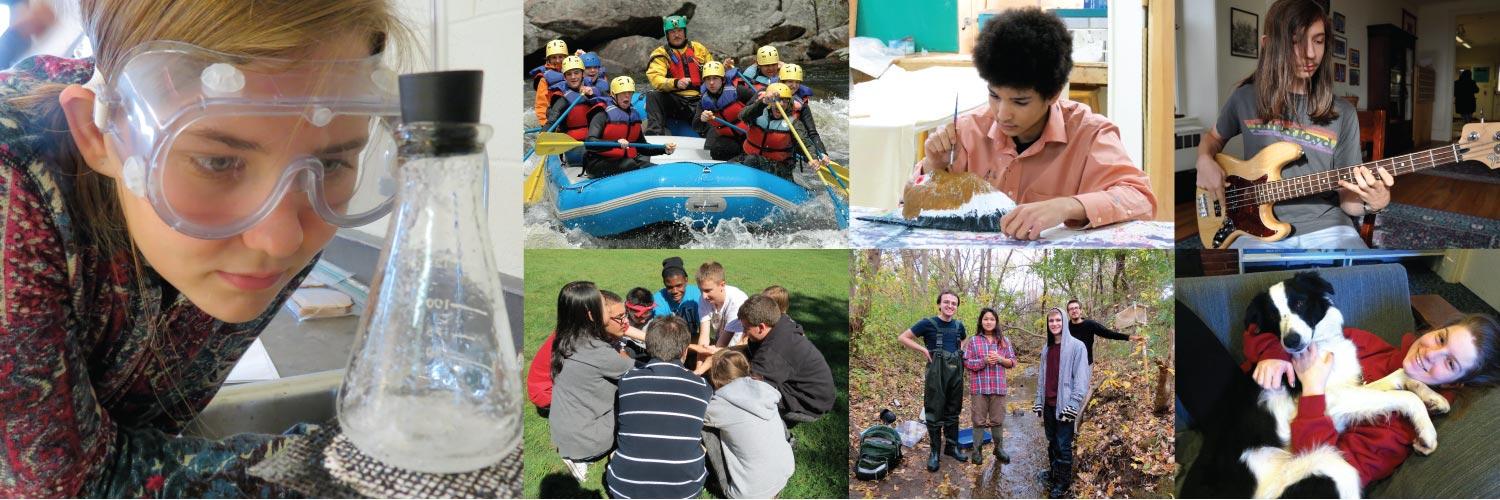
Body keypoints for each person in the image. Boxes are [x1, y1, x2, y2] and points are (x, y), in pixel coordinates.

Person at [0, 1, 410, 496]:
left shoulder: (300, 207)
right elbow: (62, 486)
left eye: (332, 165)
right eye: (217, 162)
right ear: (98, 132)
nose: (283, 240)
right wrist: (374, 469)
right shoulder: (12, 188)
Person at [1177, 301, 1500, 491]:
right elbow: (1288, 334)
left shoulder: (1397, 434)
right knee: (1175, 315)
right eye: (1440, 338)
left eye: (1450, 362)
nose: (1431, 354)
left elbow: (1315, 479)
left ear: (1457, 383)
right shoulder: (1368, 344)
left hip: (1263, 452)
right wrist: (1272, 353)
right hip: (1247, 399)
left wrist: (1314, 391)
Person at [918, 8, 1156, 241]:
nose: (1002, 114)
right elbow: (910, 210)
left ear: (1052, 94)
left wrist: (1066, 207)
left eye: (1020, 102)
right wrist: (933, 166)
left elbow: (1140, 198)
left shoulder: (1090, 134)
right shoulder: (968, 131)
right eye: (994, 96)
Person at [1196, 0, 1385, 249]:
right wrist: (1204, 160)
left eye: (1318, 41)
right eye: (1296, 41)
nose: (1310, 53)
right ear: (1268, 45)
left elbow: (1348, 200)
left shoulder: (1344, 114)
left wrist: (1373, 201)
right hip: (1248, 226)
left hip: (1326, 225)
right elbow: (1212, 138)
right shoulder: (1244, 98)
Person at [604, 315, 712, 499]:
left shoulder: (628, 380)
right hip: (684, 490)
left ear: (649, 347)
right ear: (685, 351)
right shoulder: (702, 387)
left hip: (625, 489)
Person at [549, 282, 635, 482]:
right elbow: (641, 373)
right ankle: (581, 461)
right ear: (590, 315)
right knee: (636, 402)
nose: (606, 304)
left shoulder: (567, 337)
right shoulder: (599, 353)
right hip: (590, 441)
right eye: (602, 304)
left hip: (565, 432)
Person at [701, 349, 795, 499]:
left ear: (716, 378)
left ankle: (714, 479)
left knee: (705, 429)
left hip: (748, 493)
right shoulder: (765, 390)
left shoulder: (720, 405)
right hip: (784, 473)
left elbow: (693, 413)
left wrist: (697, 373)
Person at [897, 290, 970, 471]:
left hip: (956, 373)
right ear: (939, 304)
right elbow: (903, 337)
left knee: (953, 411)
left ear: (957, 306)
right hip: (936, 374)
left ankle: (951, 448)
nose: (950, 306)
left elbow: (965, 339)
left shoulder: (959, 326)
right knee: (934, 412)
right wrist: (923, 350)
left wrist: (959, 350)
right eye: (947, 302)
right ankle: (935, 452)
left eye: (954, 303)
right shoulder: (927, 323)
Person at [739, 293, 835, 426]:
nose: (744, 333)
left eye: (746, 328)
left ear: (761, 327)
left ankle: (784, 437)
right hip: (812, 391)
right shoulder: (781, 322)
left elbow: (750, 386)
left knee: (753, 400)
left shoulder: (773, 352)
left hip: (810, 403)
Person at [1033, 307, 1090, 498]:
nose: (1055, 324)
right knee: (1051, 442)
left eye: (1058, 320)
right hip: (1048, 405)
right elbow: (1042, 377)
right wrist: (1038, 400)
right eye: (1051, 321)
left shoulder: (1077, 346)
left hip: (1065, 405)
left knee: (1063, 444)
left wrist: (1073, 405)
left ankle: (1063, 482)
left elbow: (1081, 380)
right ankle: (1053, 473)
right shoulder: (1046, 349)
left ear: (1064, 322)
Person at [583, 75, 676, 178]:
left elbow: (643, 147)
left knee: (656, 169)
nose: (627, 96)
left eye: (630, 93)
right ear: (613, 94)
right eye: (622, 93)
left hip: (626, 162)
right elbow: (590, 143)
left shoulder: (633, 116)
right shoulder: (602, 114)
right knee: (629, 164)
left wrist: (663, 149)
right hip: (598, 163)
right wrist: (615, 143)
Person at [737, 82, 827, 179]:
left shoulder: (793, 123)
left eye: (785, 101)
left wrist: (812, 158)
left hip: (780, 167)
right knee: (744, 160)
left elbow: (805, 142)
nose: (781, 104)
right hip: (751, 158)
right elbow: (742, 116)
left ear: (789, 103)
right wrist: (762, 102)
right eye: (778, 100)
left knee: (752, 160)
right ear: (769, 101)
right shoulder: (758, 113)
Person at [963, 307, 1017, 465]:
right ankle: (977, 451)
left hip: (998, 388)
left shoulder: (1004, 341)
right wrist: (983, 361)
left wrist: (1000, 359)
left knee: (997, 420)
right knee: (978, 421)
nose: (988, 322)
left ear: (996, 322)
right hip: (979, 388)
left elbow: (1013, 362)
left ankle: (998, 449)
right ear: (981, 321)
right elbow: (966, 363)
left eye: (992, 319)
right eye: (985, 319)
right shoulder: (973, 341)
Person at [644, 15, 714, 135]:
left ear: (684, 32)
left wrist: (723, 68)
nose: (677, 35)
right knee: (653, 96)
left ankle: (712, 137)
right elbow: (656, 78)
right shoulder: (660, 53)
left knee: (712, 119)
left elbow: (713, 70)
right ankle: (655, 134)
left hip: (700, 100)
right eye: (672, 32)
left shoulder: (699, 49)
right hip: (676, 101)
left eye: (680, 31)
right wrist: (675, 82)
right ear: (667, 35)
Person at [695, 60, 754, 160]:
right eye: (708, 79)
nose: (711, 83)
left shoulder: (738, 91)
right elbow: (696, 126)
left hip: (749, 133)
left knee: (752, 152)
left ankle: (744, 155)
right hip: (729, 137)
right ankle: (739, 157)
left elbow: (756, 100)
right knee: (717, 151)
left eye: (715, 78)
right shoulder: (703, 101)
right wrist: (702, 119)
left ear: (723, 80)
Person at [544, 55, 603, 141]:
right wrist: (544, 134)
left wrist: (592, 94)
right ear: (564, 77)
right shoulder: (561, 96)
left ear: (582, 74)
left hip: (594, 138)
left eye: (576, 73)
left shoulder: (594, 89)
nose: (573, 77)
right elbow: (552, 120)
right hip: (572, 141)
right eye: (569, 74)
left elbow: (610, 104)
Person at [1066, 299, 1142, 365]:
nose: (1074, 310)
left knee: (1083, 382)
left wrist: (1130, 337)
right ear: (1068, 312)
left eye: (1076, 308)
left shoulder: (1090, 324)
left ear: (1081, 310)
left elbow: (1108, 333)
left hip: (1085, 363)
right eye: (1071, 309)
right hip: (1068, 364)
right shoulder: (1065, 328)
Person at [697, 260, 749, 348]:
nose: (704, 296)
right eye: (701, 290)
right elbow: (704, 337)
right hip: (719, 343)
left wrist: (710, 360)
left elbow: (724, 342)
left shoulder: (737, 301)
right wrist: (699, 361)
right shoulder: (704, 298)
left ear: (722, 285)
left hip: (738, 347)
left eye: (707, 290)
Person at [654, 256, 702, 333]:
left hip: (694, 340)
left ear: (686, 280)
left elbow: (704, 331)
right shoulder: (658, 300)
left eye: (679, 285)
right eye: (669, 287)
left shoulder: (698, 295)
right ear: (664, 283)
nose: (675, 291)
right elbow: (661, 335)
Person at [530, 38, 569, 125]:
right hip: (554, 114)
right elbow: (541, 104)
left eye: (561, 57)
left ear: (566, 57)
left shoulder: (574, 72)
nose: (558, 60)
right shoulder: (544, 79)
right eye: (554, 57)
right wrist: (545, 124)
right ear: (549, 59)